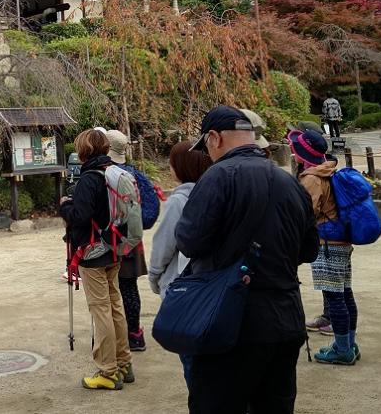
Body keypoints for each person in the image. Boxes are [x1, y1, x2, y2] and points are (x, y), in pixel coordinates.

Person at [176, 106, 319, 414]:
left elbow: (189, 241)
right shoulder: (290, 182)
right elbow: (310, 251)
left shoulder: (216, 178)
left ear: (214, 138)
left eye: (206, 148)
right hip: (285, 319)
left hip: (230, 323)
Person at [59, 128, 132, 391]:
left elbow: (79, 215)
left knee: (100, 310)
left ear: (84, 151)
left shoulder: (90, 178)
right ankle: (123, 362)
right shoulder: (113, 172)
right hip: (114, 248)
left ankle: (108, 371)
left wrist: (64, 205)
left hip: (93, 252)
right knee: (115, 306)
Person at [288, 127, 359, 366]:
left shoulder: (312, 178)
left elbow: (305, 212)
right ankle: (349, 343)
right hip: (341, 241)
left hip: (327, 243)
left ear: (301, 154)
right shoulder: (327, 171)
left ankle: (342, 349)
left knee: (334, 297)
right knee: (344, 293)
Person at [148, 140, 213, 387]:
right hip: (214, 287)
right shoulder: (217, 192)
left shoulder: (178, 200)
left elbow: (164, 245)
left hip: (185, 288)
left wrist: (155, 277)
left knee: (193, 364)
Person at [106, 129, 152, 352]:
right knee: (129, 287)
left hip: (114, 238)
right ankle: (135, 334)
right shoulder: (135, 173)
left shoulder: (107, 175)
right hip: (134, 239)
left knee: (109, 290)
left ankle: (115, 336)